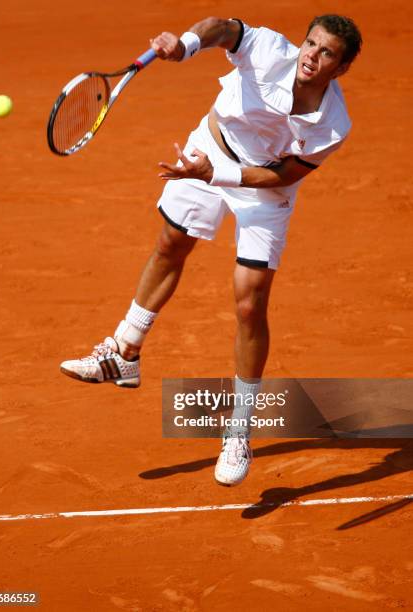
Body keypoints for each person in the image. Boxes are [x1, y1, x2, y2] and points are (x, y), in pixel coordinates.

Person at [60, 15, 362, 486]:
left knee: (250, 300)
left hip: (262, 189)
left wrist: (215, 177)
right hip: (210, 148)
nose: (311, 56)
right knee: (170, 244)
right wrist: (184, 45)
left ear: (339, 70)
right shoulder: (267, 50)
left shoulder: (333, 124)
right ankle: (124, 351)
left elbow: (283, 176)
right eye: (311, 43)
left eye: (326, 54)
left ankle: (239, 428)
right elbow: (223, 28)